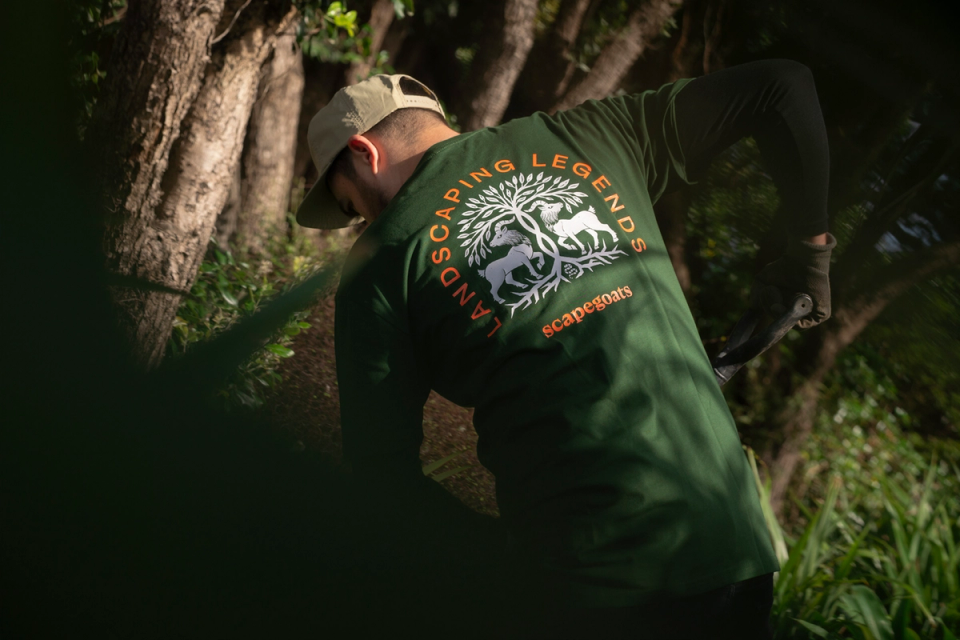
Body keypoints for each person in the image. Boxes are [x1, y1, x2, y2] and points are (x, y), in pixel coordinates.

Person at [295, 59, 836, 639]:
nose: (361, 223)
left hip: (587, 584)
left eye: (351, 207)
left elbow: (380, 476)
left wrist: (496, 559)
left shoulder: (379, 263)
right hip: (731, 545)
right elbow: (782, 86)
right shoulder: (592, 134)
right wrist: (810, 253)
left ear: (365, 152)